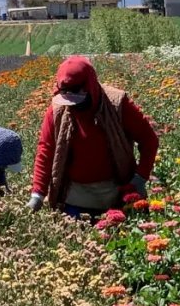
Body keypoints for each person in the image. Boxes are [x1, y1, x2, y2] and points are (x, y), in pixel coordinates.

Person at [28, 56, 159, 219]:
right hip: (75, 199)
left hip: (117, 195)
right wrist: (37, 195)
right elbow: (46, 150)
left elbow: (149, 139)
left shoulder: (117, 104)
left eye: (77, 99)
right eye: (67, 99)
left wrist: (139, 178)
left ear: (90, 87)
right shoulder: (57, 110)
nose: (73, 106)